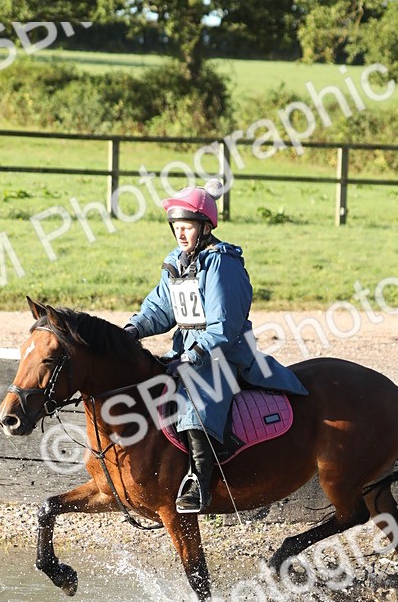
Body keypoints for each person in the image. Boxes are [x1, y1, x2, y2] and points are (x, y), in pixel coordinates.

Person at [124, 180, 307, 513]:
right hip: (185, 352)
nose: (181, 234)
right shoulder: (177, 262)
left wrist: (193, 356)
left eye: (187, 227)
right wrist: (133, 329)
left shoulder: (223, 265)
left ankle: (199, 482)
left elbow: (225, 328)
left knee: (198, 402)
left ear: (205, 228)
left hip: (225, 356)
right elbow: (161, 308)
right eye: (176, 227)